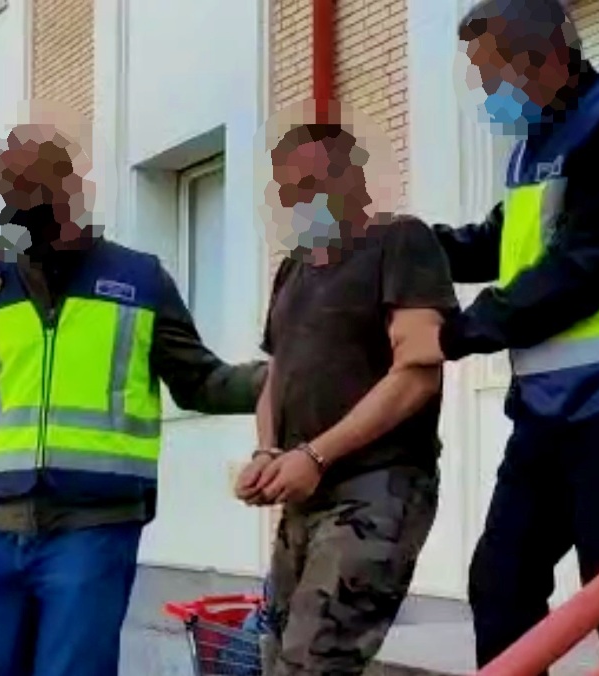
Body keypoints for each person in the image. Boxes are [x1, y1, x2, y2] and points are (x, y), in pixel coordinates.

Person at [406, 1, 599, 674]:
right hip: (551, 407)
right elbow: (499, 243)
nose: (487, 93)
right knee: (501, 585)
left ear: (540, 59)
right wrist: (407, 247)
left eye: (492, 75)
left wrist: (457, 334)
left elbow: (582, 268)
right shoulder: (538, 141)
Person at [0, 123, 266, 676]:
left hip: (94, 533)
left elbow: (201, 381)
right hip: (2, 533)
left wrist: (290, 379)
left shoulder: (138, 280)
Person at [233, 121, 458, 675]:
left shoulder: (401, 241)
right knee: (277, 655)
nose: (298, 201)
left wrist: (315, 455)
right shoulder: (294, 268)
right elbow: (276, 375)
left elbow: (417, 374)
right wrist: (266, 452)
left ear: (352, 180)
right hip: (302, 499)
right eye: (288, 190)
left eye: (311, 183)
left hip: (376, 488)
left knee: (317, 661)